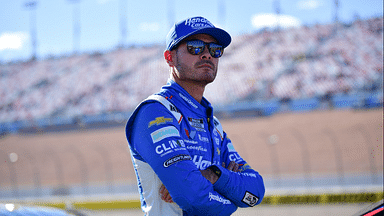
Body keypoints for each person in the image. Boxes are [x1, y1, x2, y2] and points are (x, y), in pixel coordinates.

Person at [125, 16, 265, 216]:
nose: (208, 54)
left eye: (215, 49)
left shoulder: (213, 124)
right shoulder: (155, 111)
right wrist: (232, 199)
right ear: (169, 57)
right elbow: (192, 196)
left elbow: (255, 191)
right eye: (195, 47)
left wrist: (214, 175)